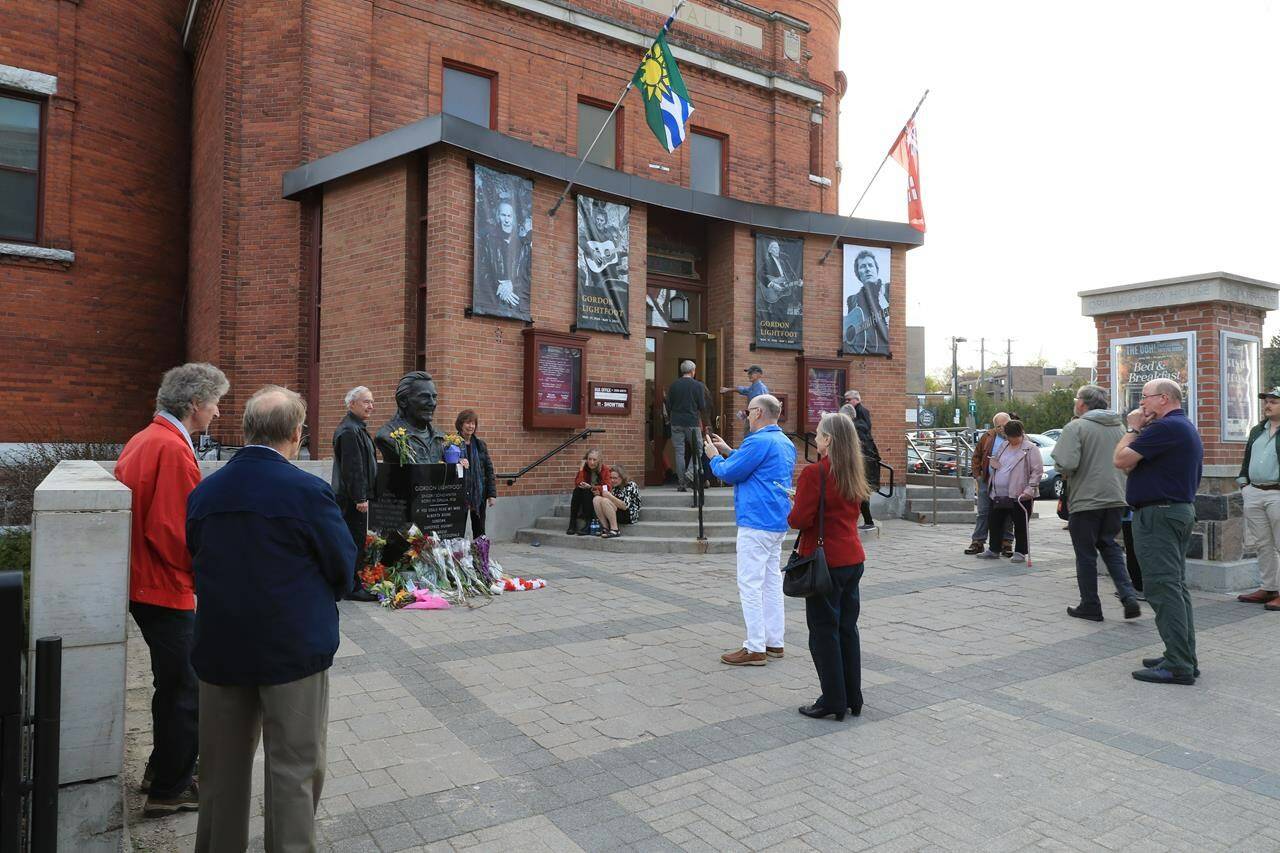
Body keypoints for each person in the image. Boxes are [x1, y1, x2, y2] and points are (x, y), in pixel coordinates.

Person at [188, 386, 355, 851]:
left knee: (221, 772)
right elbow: (343, 568)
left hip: (221, 648)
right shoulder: (309, 491)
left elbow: (195, 560)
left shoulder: (206, 491)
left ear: (245, 431)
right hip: (293, 652)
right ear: (297, 434)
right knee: (295, 768)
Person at [115, 361, 228, 816]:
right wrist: (204, 576)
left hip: (146, 583)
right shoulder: (170, 448)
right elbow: (172, 530)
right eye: (215, 402)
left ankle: (161, 771)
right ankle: (171, 788)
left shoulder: (147, 438)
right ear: (195, 403)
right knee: (187, 689)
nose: (218, 412)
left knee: (173, 684)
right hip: (164, 585)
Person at [1114, 378, 1203, 685]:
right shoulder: (1177, 427)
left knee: (1163, 588)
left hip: (1159, 515)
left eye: (1145, 399)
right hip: (1170, 512)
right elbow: (1129, 467)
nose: (1141, 405)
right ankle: (1182, 654)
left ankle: (1178, 664)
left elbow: (1120, 459)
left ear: (1164, 398)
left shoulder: (1166, 428)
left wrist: (1133, 428)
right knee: (1175, 587)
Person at [788, 412, 869, 721]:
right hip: (852, 557)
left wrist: (795, 502)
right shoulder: (853, 470)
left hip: (826, 562)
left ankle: (833, 699)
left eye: (819, 434)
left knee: (823, 632)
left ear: (828, 440)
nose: (816, 439)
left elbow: (799, 520)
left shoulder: (815, 473)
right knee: (847, 629)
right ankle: (853, 696)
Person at [703, 395, 796, 665]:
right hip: (776, 519)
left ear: (757, 413)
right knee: (770, 583)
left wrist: (714, 457)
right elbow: (755, 467)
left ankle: (755, 646)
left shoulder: (758, 441)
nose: (746, 415)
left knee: (750, 584)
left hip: (756, 519)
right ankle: (774, 642)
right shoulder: (785, 442)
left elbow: (730, 474)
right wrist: (731, 452)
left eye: (748, 411)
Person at [1051, 385, 1141, 621]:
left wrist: (1062, 469)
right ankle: (1128, 595)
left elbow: (1066, 462)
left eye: (1076, 400)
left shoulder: (1076, 427)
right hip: (1115, 497)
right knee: (1109, 545)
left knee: (1085, 553)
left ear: (1082, 404)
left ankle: (1090, 604)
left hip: (1086, 499)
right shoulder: (1119, 427)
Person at [1233, 387, 1280, 609]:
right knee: (1263, 544)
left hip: (1277, 493)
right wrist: (1244, 483)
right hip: (1254, 492)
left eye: (1274, 401)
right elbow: (1247, 458)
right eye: (1266, 401)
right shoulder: (1257, 430)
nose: (1267, 405)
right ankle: (1268, 587)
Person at [332, 386, 378, 602]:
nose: (371, 406)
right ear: (352, 404)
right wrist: (360, 497)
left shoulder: (356, 427)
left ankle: (351, 582)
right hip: (351, 500)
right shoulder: (350, 430)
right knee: (354, 541)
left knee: (355, 540)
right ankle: (351, 586)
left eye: (371, 401)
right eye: (366, 402)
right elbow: (353, 468)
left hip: (354, 497)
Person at [978, 419, 1041, 563]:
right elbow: (999, 462)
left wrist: (1030, 489)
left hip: (1020, 494)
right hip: (999, 493)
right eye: (1008, 437)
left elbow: (1037, 471)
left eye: (1013, 437)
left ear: (1020, 434)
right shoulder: (1005, 445)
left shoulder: (1030, 448)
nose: (1010, 440)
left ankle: (1020, 551)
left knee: (1020, 523)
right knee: (995, 521)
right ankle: (994, 549)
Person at [967, 412, 1015, 556]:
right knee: (983, 512)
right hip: (986, 480)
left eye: (1004, 425)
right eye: (998, 426)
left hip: (1007, 483)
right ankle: (978, 542)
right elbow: (977, 455)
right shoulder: (987, 436)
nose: (1001, 429)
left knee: (1007, 513)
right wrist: (978, 475)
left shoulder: (1016, 437)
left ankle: (1006, 543)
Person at [375, 371, 448, 464]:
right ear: (403, 401)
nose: (432, 403)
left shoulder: (441, 438)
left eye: (434, 397)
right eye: (424, 397)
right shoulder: (388, 436)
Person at [665, 359, 712, 491]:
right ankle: (689, 475)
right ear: (692, 371)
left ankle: (681, 482)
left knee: (679, 452)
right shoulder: (697, 386)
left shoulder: (674, 385)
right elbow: (702, 406)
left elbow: (668, 405)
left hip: (676, 422)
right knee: (698, 449)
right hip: (692, 422)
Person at [478, 198, 532, 312]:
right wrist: (499, 285)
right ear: (498, 216)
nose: (506, 220)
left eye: (509, 216)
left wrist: (512, 284)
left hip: (516, 304)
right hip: (492, 302)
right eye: (503, 215)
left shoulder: (523, 245)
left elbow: (527, 276)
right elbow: (481, 270)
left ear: (514, 218)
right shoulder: (488, 240)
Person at [843, 389, 880, 530]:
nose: (846, 402)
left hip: (865, 459)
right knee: (860, 490)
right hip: (865, 458)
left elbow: (865, 429)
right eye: (845, 400)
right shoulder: (858, 413)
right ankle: (865, 520)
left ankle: (868, 521)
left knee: (861, 490)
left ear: (856, 399)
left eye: (848, 400)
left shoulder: (861, 412)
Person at [457, 409, 497, 538]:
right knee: (457, 529)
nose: (471, 426)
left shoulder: (480, 445)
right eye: (468, 423)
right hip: (460, 493)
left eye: (473, 423)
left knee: (479, 529)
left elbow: (489, 470)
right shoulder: (452, 443)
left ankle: (480, 555)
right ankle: (457, 555)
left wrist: (491, 494)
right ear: (460, 424)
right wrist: (457, 462)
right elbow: (445, 466)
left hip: (478, 492)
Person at [842, 250, 889, 355]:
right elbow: (849, 329)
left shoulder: (888, 290)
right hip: (863, 352)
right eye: (863, 266)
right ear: (858, 273)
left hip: (885, 350)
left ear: (876, 270)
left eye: (870, 265)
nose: (867, 269)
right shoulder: (852, 300)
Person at [567, 449, 610, 535]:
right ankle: (572, 523)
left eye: (594, 460)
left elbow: (607, 487)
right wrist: (581, 469)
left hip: (598, 495)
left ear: (599, 460)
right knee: (578, 490)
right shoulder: (585, 468)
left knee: (586, 490)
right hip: (584, 495)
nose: (591, 462)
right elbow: (578, 483)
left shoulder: (605, 469)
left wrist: (592, 487)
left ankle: (588, 523)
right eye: (589, 459)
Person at [593, 465, 642, 538]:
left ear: (622, 477)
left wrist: (609, 496)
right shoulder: (615, 487)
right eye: (611, 478)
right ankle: (605, 528)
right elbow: (611, 502)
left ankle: (615, 529)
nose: (612, 480)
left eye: (615, 478)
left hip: (629, 514)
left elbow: (625, 506)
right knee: (596, 499)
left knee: (605, 500)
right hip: (618, 511)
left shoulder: (630, 485)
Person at [721, 366, 769, 434]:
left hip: (758, 420)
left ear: (759, 374)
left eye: (752, 373)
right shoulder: (753, 387)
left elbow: (759, 407)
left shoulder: (760, 389)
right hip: (753, 418)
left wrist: (745, 414)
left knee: (752, 439)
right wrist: (727, 389)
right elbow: (743, 390)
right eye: (749, 373)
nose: (749, 375)